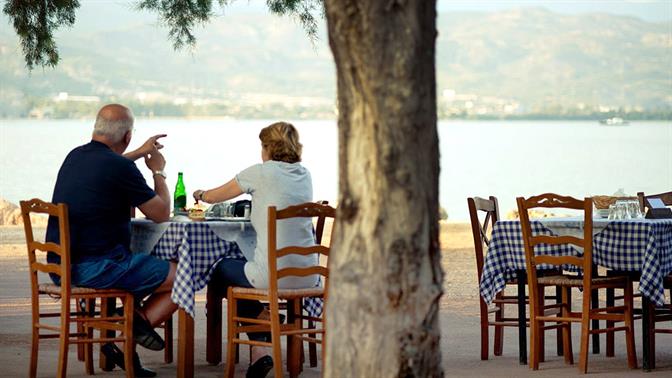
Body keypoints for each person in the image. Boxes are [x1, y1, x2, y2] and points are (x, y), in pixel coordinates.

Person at [46, 104, 178, 377]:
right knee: (188, 273)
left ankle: (121, 336)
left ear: (96, 128)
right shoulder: (118, 167)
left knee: (143, 268)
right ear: (127, 136)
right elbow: (161, 213)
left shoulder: (75, 157)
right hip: (97, 268)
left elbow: (110, 167)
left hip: (62, 267)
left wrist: (139, 153)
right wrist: (158, 172)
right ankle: (127, 327)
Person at [193, 121, 317, 378]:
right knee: (246, 269)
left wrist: (201, 194)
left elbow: (217, 196)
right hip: (309, 275)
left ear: (268, 147)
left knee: (222, 268)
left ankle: (259, 333)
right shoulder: (305, 174)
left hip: (273, 276)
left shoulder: (260, 172)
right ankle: (259, 350)